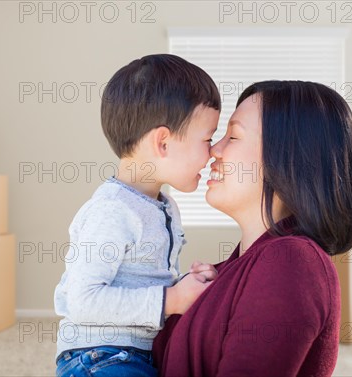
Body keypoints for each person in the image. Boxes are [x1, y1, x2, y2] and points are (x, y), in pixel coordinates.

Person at [153, 80, 352, 377]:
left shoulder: (293, 263)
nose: (213, 150)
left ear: (288, 159)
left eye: (233, 136)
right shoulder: (235, 269)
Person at [54, 54, 222, 377]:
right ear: (163, 142)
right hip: (99, 357)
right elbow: (82, 301)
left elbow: (141, 282)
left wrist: (184, 286)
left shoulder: (163, 206)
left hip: (135, 354)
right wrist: (170, 300)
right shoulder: (113, 210)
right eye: (208, 139)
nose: (213, 151)